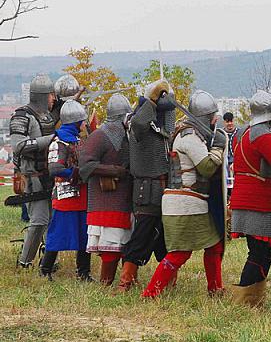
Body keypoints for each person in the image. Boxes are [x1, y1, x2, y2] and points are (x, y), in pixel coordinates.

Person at [141, 90, 227, 298]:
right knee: (179, 253)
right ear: (205, 117)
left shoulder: (190, 133)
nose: (215, 120)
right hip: (185, 204)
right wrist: (218, 148)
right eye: (212, 116)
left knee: (214, 246)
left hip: (192, 203)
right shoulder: (189, 137)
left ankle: (215, 289)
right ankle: (150, 293)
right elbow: (207, 167)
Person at [228, 91, 271, 307]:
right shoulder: (262, 134)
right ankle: (245, 300)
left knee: (261, 248)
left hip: (246, 197)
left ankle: (253, 298)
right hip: (254, 200)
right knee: (259, 251)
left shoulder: (245, 131)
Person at [120, 79, 176, 292]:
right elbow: (139, 124)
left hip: (165, 192)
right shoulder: (139, 125)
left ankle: (166, 282)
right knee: (141, 237)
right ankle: (126, 280)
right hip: (147, 191)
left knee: (165, 241)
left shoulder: (163, 133)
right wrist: (151, 101)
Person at [78, 94, 134, 285]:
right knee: (111, 245)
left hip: (125, 199)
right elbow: (85, 165)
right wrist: (114, 171)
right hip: (106, 199)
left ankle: (127, 281)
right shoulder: (99, 136)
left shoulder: (127, 135)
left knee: (126, 243)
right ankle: (106, 284)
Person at [38, 100, 92, 281]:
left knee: (85, 235)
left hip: (82, 196)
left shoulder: (78, 140)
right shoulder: (58, 142)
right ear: (75, 122)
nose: (84, 125)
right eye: (82, 122)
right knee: (57, 234)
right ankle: (45, 269)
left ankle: (83, 272)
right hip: (65, 196)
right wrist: (77, 173)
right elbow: (55, 169)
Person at [10, 74, 57, 268]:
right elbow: (18, 146)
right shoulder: (22, 116)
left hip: (49, 175)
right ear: (43, 95)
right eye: (51, 95)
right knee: (39, 221)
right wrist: (51, 139)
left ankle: (48, 261)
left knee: (52, 221)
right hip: (31, 176)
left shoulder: (47, 116)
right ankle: (25, 262)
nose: (53, 98)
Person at [222, 111, 238, 195]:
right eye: (227, 121)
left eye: (231, 121)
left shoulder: (239, 133)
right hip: (224, 166)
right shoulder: (220, 134)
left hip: (237, 165)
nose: (230, 124)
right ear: (224, 122)